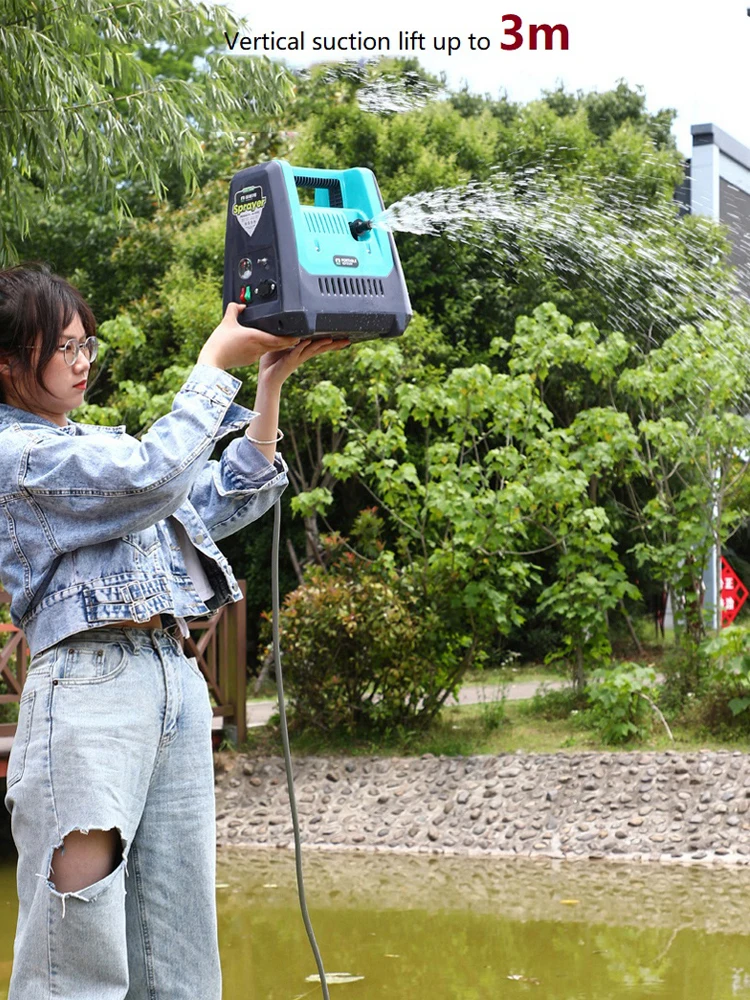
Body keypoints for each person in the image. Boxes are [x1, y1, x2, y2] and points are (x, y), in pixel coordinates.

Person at [0, 261, 349, 999]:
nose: (82, 361)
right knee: (77, 959)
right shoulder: (19, 455)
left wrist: (267, 386)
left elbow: (214, 500)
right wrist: (213, 363)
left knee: (180, 955)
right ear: (6, 362)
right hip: (89, 691)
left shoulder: (92, 448)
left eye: (86, 344)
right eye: (63, 347)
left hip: (173, 681)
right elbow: (151, 477)